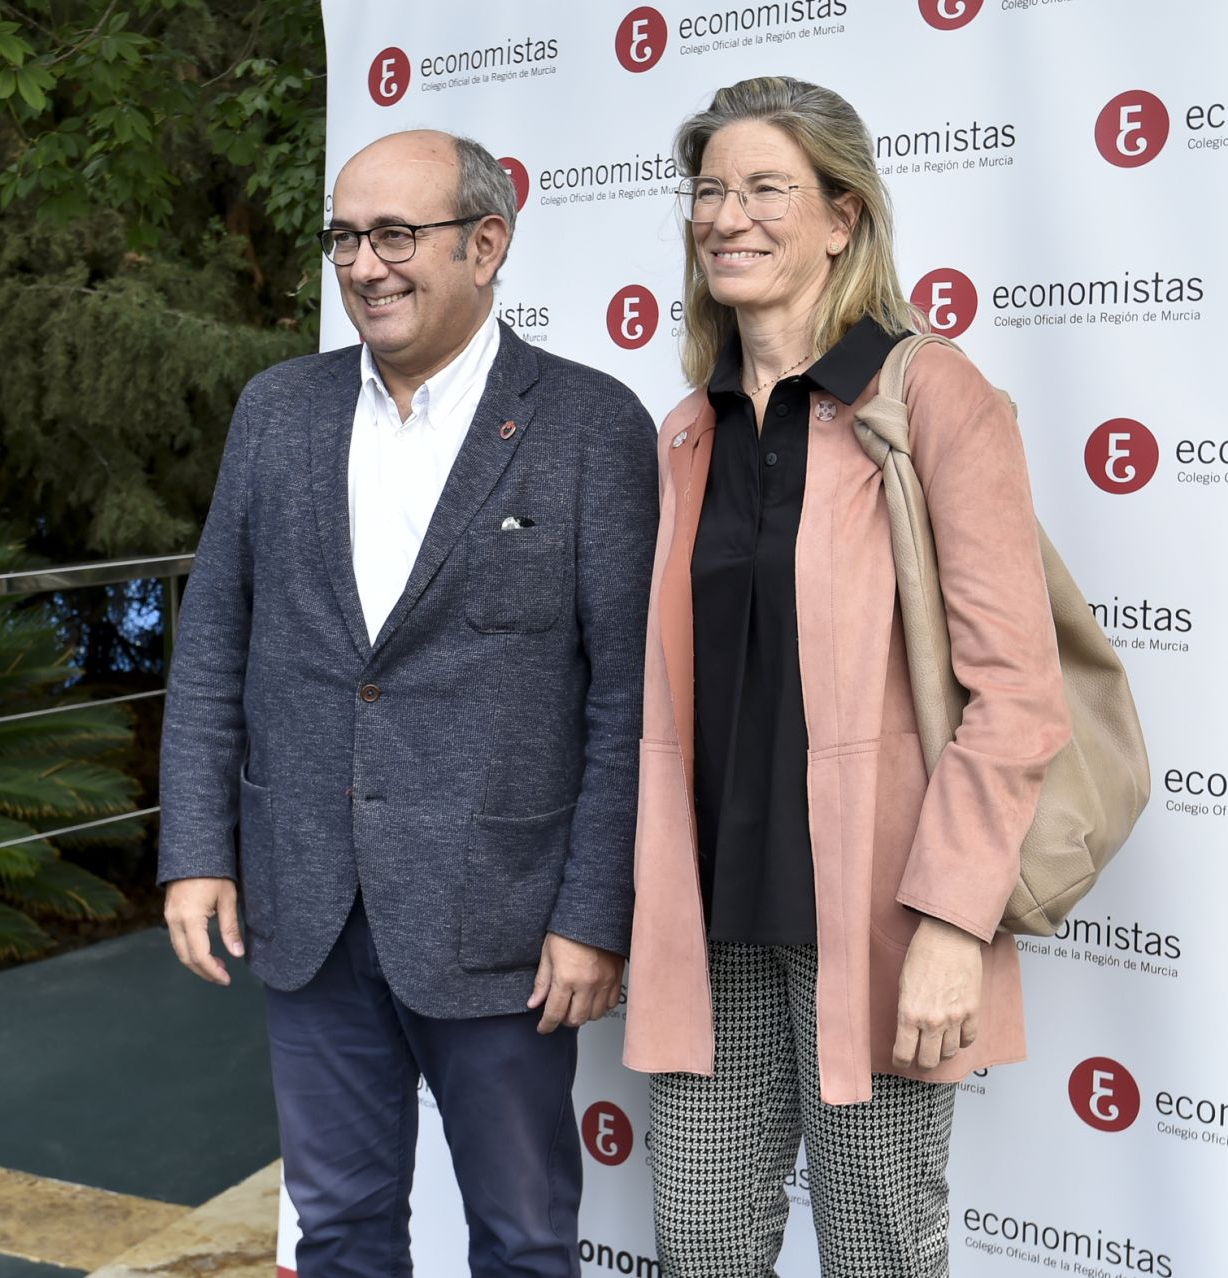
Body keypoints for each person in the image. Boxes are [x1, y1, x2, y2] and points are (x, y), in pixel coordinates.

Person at [158, 129, 658, 1278]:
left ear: (486, 245)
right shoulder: (277, 413)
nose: (365, 264)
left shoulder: (591, 427)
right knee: (336, 1232)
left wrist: (592, 913)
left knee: (525, 1240)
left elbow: (625, 698)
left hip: (505, 924)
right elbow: (215, 647)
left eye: (396, 235)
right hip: (308, 906)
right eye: (345, 236)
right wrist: (196, 851)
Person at [621, 78, 1073, 1276]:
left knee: (879, 1250)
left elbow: (1018, 693)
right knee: (700, 1248)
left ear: (842, 217)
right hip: (709, 919)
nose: (728, 216)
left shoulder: (928, 396)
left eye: (767, 189)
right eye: (710, 191)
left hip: (876, 918)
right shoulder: (687, 430)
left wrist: (950, 924)